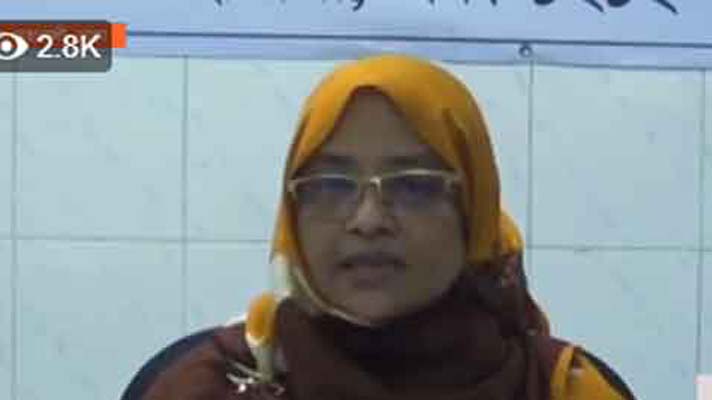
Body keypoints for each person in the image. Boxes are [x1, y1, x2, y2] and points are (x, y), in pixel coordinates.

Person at [121, 54, 636, 400]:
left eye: (415, 187)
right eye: (330, 186)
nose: (368, 221)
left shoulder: (561, 390)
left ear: (473, 214)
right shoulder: (207, 386)